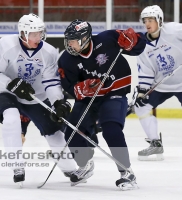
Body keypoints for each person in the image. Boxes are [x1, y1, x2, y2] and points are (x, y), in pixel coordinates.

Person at [57, 19, 146, 190]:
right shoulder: (67, 59)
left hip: (114, 93)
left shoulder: (108, 39)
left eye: (73, 40)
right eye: (68, 40)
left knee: (111, 128)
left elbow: (140, 44)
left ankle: (126, 171)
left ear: (85, 38)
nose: (69, 44)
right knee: (70, 131)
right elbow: (68, 86)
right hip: (89, 99)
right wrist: (80, 89)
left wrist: (133, 41)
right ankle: (85, 164)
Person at [0, 13, 78, 186]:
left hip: (36, 96)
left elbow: (50, 81)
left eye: (40, 33)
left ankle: (71, 168)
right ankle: (17, 166)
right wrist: (11, 83)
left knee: (54, 131)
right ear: (23, 33)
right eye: (33, 34)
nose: (38, 37)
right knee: (11, 118)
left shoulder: (49, 52)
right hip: (8, 92)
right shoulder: (5, 44)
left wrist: (57, 101)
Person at [132, 5, 182, 161]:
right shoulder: (142, 45)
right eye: (145, 21)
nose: (147, 24)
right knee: (141, 107)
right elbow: (146, 71)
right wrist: (142, 91)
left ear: (160, 20)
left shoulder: (174, 30)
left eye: (151, 20)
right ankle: (155, 144)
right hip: (161, 85)